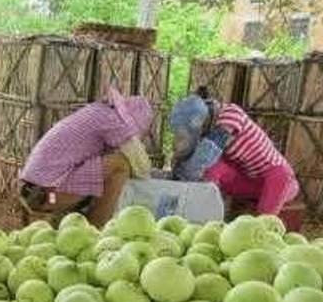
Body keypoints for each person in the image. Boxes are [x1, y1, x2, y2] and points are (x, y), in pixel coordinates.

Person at [18, 88, 154, 228]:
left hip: (31, 191)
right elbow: (140, 166)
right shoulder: (111, 119)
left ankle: (66, 220)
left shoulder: (96, 112)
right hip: (47, 196)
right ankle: (96, 229)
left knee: (102, 171)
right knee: (121, 164)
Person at [169, 88, 300, 217]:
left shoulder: (231, 114)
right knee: (212, 168)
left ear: (201, 121)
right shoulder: (205, 126)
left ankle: (263, 221)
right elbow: (187, 153)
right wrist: (176, 170)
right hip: (249, 182)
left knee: (279, 175)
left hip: (279, 182)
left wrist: (180, 181)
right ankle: (206, 212)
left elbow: (206, 153)